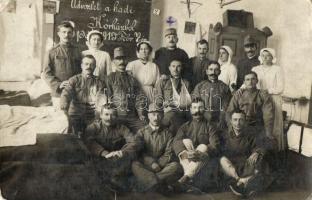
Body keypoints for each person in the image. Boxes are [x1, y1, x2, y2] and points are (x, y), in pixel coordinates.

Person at [83, 103, 138, 192]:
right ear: (100, 115)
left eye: (113, 115)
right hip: (99, 159)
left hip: (117, 160)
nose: (109, 118)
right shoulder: (93, 127)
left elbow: (133, 141)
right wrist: (104, 153)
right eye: (106, 114)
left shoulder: (122, 128)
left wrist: (122, 152)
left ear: (117, 117)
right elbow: (88, 142)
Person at [132, 103, 183, 193]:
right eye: (153, 114)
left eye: (159, 114)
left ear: (163, 115)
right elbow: (139, 152)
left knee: (175, 166)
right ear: (148, 116)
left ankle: (150, 183)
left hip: (161, 168)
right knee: (135, 165)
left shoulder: (168, 133)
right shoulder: (141, 132)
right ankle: (160, 185)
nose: (156, 118)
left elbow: (169, 153)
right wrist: (151, 163)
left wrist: (159, 164)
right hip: (146, 166)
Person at [173, 98, 221, 192]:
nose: (197, 111)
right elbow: (176, 142)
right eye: (194, 108)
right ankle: (189, 180)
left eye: (200, 108)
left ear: (204, 109)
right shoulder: (185, 126)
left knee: (203, 146)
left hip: (204, 159)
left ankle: (184, 179)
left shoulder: (210, 126)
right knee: (185, 141)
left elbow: (215, 145)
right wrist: (185, 154)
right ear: (190, 110)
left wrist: (203, 154)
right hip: (188, 158)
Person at [220, 110, 268, 197]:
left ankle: (241, 183)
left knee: (259, 158)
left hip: (246, 164)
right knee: (222, 160)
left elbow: (260, 146)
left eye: (241, 120)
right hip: (232, 166)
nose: (238, 123)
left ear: (245, 121)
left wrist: (257, 152)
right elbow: (220, 151)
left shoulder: (250, 135)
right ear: (231, 121)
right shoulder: (225, 135)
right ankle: (242, 180)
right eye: (235, 120)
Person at [60, 54, 107, 136]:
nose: (89, 66)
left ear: (95, 67)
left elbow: (101, 100)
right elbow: (66, 94)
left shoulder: (99, 82)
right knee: (72, 138)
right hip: (75, 115)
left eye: (92, 64)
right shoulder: (74, 80)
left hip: (91, 117)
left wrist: (97, 116)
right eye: (86, 64)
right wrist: (64, 109)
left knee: (93, 137)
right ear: (81, 66)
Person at [106, 47, 147, 133]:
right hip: (117, 116)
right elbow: (107, 98)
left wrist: (140, 113)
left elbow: (140, 97)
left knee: (145, 130)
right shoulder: (110, 78)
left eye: (123, 59)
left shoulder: (132, 79)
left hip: (132, 116)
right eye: (118, 59)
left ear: (127, 61)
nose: (121, 62)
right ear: (114, 61)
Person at [43, 21, 81, 109]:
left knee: (75, 118)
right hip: (58, 93)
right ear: (59, 34)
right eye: (64, 32)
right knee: (60, 118)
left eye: (69, 32)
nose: (66, 35)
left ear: (73, 34)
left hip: (75, 92)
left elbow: (82, 70)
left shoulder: (78, 51)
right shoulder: (51, 52)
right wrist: (58, 84)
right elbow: (46, 73)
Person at [252, 48, 285, 151]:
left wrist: (267, 91)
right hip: (259, 98)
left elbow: (280, 88)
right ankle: (258, 148)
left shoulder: (277, 69)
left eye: (268, 56)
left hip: (273, 98)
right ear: (260, 57)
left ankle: (273, 148)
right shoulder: (255, 69)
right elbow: (250, 82)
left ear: (272, 57)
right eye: (263, 56)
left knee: (273, 124)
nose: (265, 58)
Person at [227, 72, 274, 139]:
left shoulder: (263, 95)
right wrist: (231, 128)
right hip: (240, 126)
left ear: (257, 81)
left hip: (257, 127)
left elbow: (268, 115)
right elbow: (229, 112)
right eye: (247, 79)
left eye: (253, 79)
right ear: (244, 82)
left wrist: (268, 132)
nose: (250, 82)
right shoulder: (238, 94)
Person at [154, 59, 192, 135]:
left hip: (183, 112)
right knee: (170, 118)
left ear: (181, 68)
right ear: (169, 68)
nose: (175, 69)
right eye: (173, 66)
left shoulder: (186, 83)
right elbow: (158, 101)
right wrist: (163, 105)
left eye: (178, 66)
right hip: (167, 112)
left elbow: (190, 102)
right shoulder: (163, 82)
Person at [192, 61, 232, 128]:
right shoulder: (199, 86)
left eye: (216, 70)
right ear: (207, 71)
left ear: (219, 72)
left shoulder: (224, 88)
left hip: (218, 121)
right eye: (211, 69)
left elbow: (225, 107)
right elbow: (196, 105)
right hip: (202, 119)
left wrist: (221, 120)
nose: (213, 72)